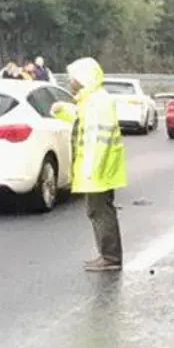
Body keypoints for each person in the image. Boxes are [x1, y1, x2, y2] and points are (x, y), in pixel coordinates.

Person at [52, 58, 126, 271]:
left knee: (99, 211)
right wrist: (62, 109)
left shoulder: (97, 102)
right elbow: (80, 120)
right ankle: (107, 255)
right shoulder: (90, 100)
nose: (70, 81)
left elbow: (97, 139)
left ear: (83, 77)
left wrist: (91, 168)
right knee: (98, 211)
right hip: (98, 168)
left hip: (98, 169)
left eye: (72, 77)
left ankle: (110, 258)